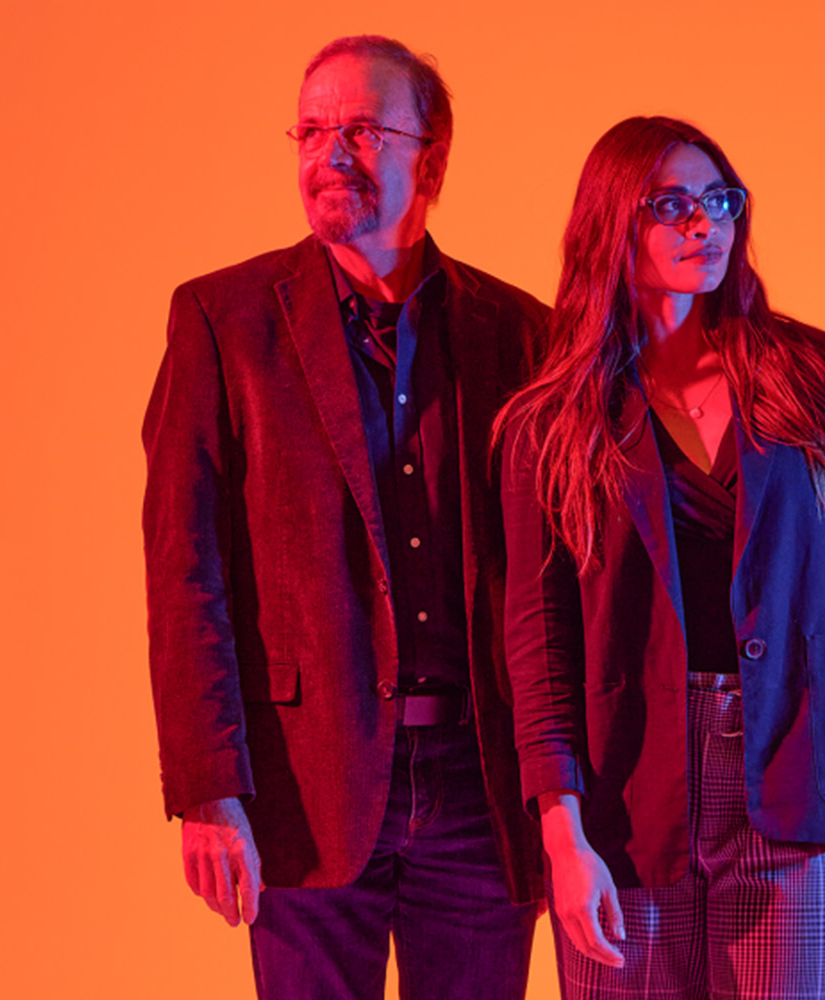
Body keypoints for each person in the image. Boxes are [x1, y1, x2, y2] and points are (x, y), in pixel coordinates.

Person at [141, 35, 547, 1000]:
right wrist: (209, 788)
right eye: (312, 130)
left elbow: (555, 580)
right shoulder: (221, 320)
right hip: (302, 784)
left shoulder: (520, 332)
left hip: (481, 791)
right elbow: (182, 567)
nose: (330, 154)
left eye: (361, 130)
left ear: (432, 155)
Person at [498, 116, 825, 999]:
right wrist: (562, 836)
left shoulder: (818, 379)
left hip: (798, 775)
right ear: (611, 225)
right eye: (672, 206)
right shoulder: (552, 422)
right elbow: (538, 648)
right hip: (625, 796)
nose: (704, 225)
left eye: (719, 202)